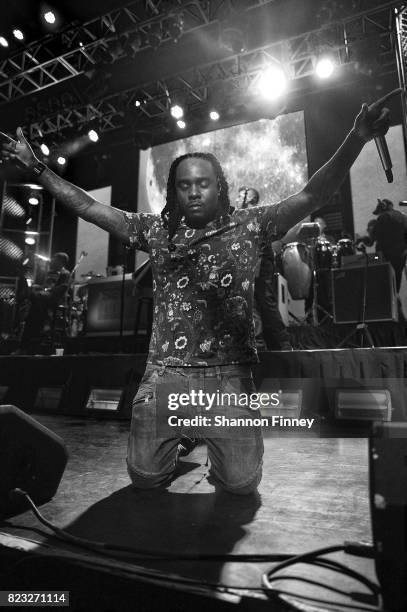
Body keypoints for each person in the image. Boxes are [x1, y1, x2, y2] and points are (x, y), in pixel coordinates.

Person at [0, 90, 396, 494]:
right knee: (146, 478)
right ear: (174, 192)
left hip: (227, 378)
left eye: (202, 183)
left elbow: (314, 194)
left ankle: (212, 438)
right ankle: (182, 435)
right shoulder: (156, 230)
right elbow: (88, 207)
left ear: (219, 187)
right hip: (166, 374)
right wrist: (39, 171)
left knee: (241, 484)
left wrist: (357, 136)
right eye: (184, 185)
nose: (193, 191)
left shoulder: (251, 225)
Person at [236, 186, 292, 350]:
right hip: (251, 260)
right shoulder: (241, 218)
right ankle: (260, 343)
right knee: (253, 301)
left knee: (264, 301)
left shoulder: (256, 215)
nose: (238, 200)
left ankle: (282, 344)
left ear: (250, 199)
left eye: (240, 197)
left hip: (260, 259)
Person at [18, 252, 70, 352]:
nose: (52, 261)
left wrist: (46, 291)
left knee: (35, 302)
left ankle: (32, 336)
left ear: (61, 262)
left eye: (54, 259)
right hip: (44, 299)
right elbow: (45, 286)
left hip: (54, 299)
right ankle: (38, 326)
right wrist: (39, 287)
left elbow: (62, 288)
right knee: (34, 299)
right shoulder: (50, 272)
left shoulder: (65, 273)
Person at [369, 198, 407, 292]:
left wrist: (365, 240)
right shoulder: (403, 216)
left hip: (386, 256)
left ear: (383, 207)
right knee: (396, 281)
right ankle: (395, 298)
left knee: (385, 285)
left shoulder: (384, 217)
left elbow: (374, 237)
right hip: (401, 255)